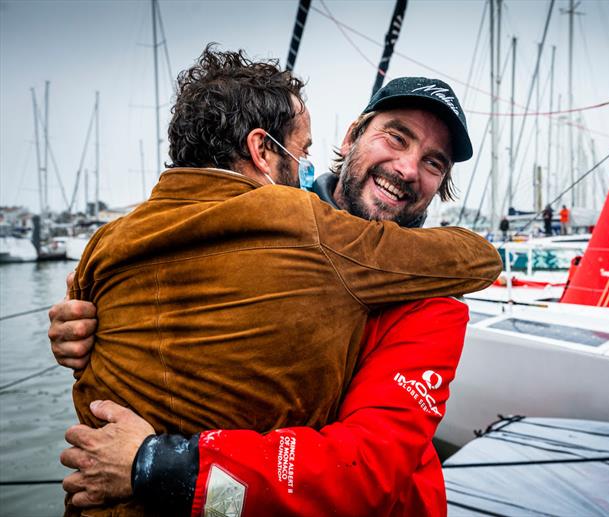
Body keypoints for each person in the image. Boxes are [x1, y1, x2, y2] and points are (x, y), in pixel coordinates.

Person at [55, 46, 501, 517]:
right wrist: (87, 325)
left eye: (435, 163)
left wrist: (161, 465)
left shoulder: (433, 306)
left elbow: (367, 471)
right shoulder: (281, 222)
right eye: (397, 137)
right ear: (351, 137)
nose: (409, 169)